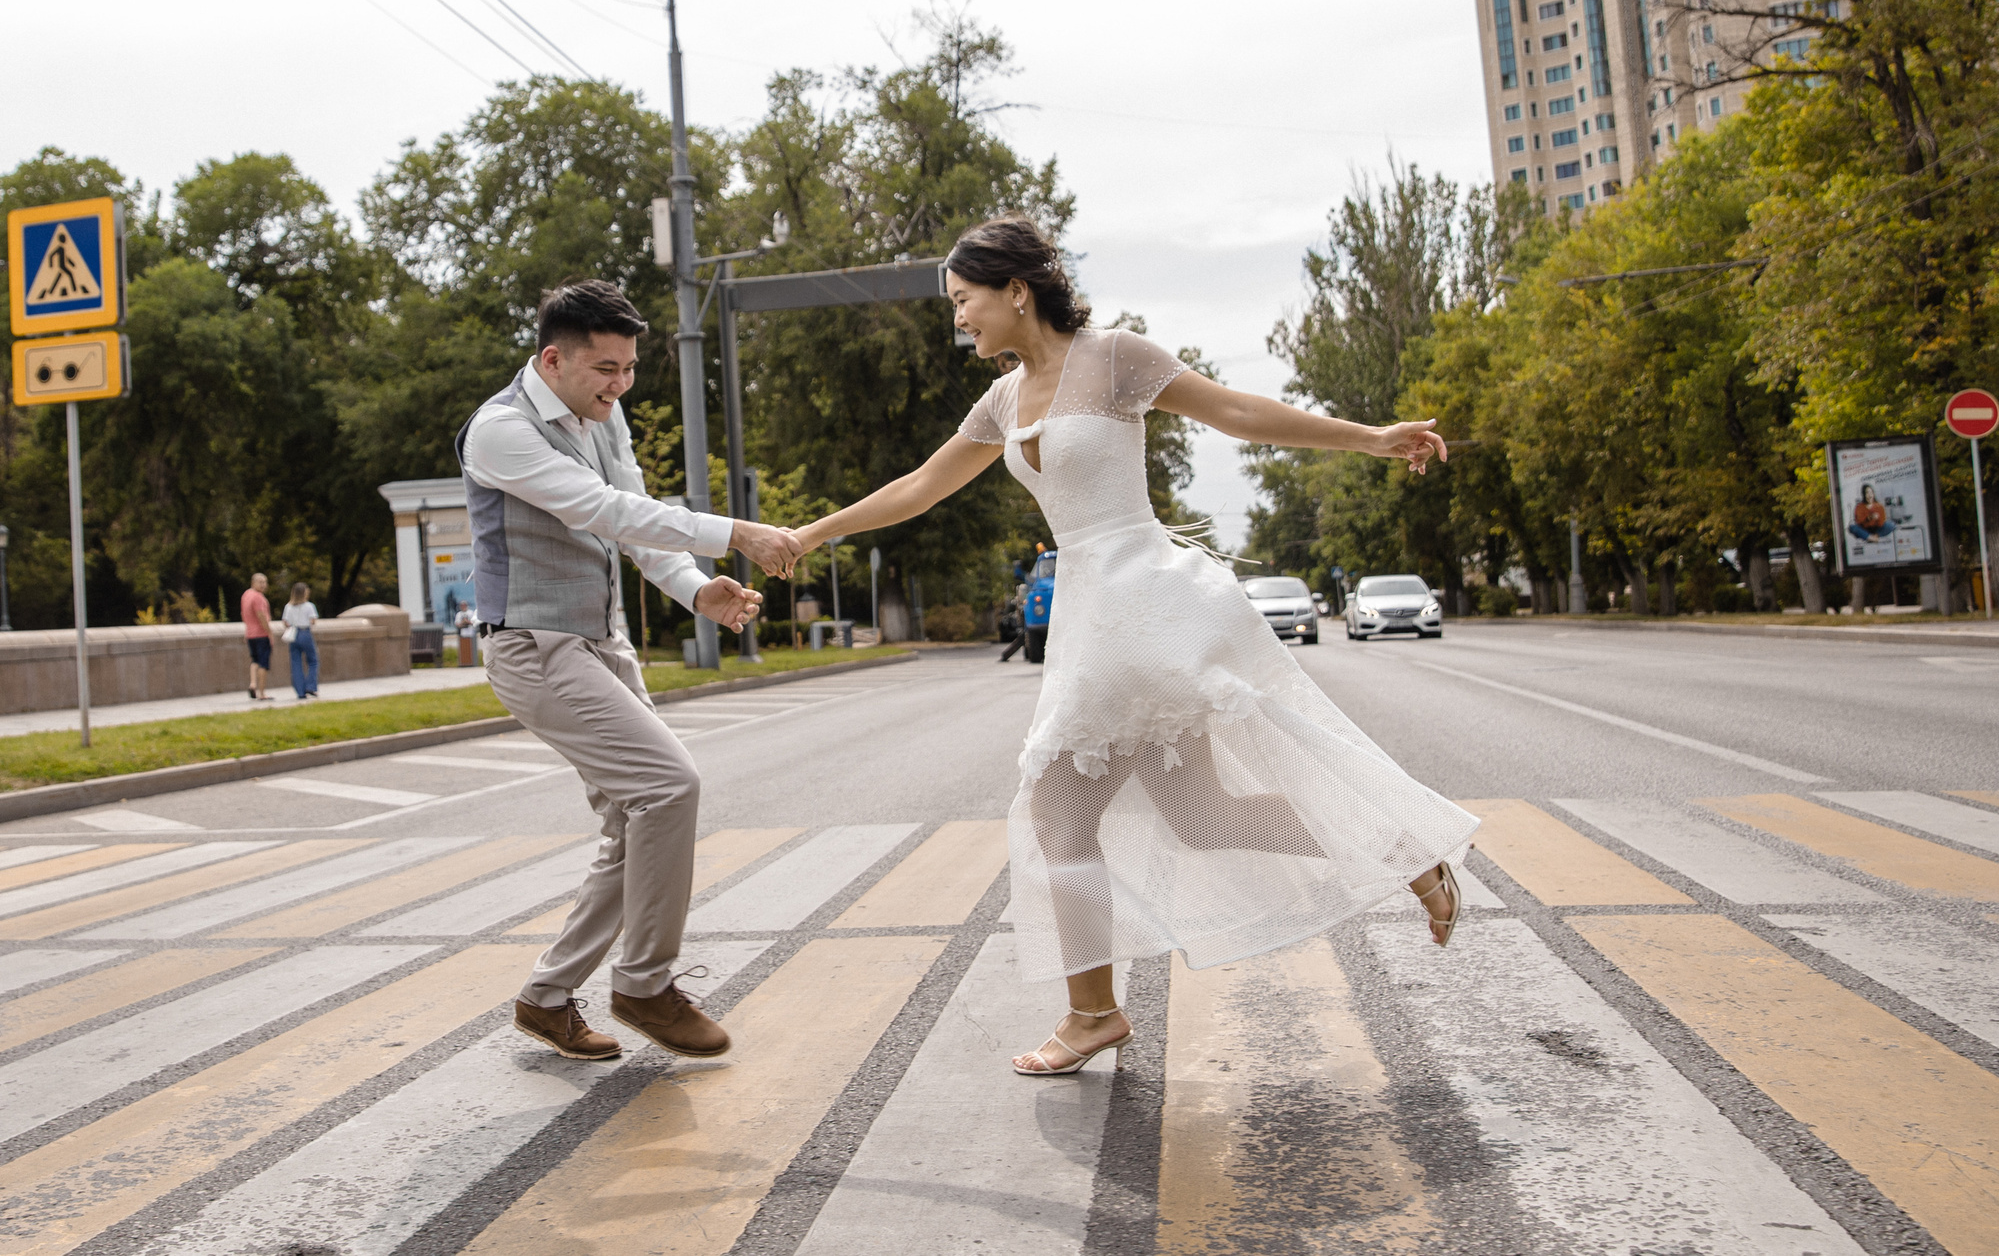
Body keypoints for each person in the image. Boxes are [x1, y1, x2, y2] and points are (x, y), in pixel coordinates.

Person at [785, 216, 1477, 1077]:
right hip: (1092, 612)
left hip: (1143, 595)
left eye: (964, 301)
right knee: (1203, 814)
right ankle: (1404, 848)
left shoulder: (1114, 358)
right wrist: (810, 534)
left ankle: (1092, 1012)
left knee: (1058, 809)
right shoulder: (1002, 400)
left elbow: (1237, 411)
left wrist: (1371, 437)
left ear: (1015, 291)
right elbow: (921, 488)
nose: (958, 319)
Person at [461, 279, 802, 1064]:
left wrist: (695, 587)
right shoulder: (500, 432)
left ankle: (547, 998)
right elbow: (603, 512)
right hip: (534, 647)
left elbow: (638, 517)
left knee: (632, 821)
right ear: (553, 359)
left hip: (600, 644)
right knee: (668, 787)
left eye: (628, 369)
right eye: (604, 370)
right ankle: (644, 982)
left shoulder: (599, 420)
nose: (619, 386)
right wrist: (735, 531)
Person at [281, 582, 321, 699]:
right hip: (305, 632)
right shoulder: (309, 606)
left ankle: (300, 691)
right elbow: (313, 620)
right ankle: (310, 685)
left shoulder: (288, 606)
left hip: (294, 634)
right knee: (313, 661)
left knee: (296, 663)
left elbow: (285, 622)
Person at [240, 572, 274, 700]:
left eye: (265, 582)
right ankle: (262, 693)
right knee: (263, 663)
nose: (263, 585)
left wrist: (247, 629)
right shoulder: (258, 597)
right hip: (261, 634)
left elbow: (243, 613)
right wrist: (269, 632)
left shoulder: (246, 595)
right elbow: (261, 615)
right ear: (253, 582)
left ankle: (253, 684)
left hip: (250, 634)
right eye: (260, 582)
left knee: (254, 660)